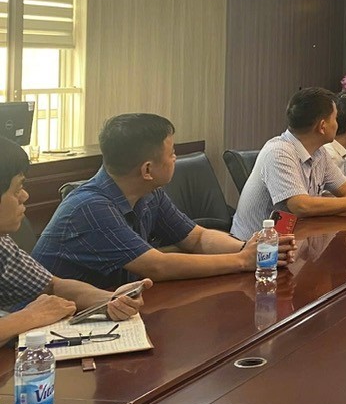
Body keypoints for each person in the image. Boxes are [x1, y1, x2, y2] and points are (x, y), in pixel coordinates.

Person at [34, 114, 296, 290]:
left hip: (111, 308)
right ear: (147, 169)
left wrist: (249, 248)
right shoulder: (90, 207)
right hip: (55, 327)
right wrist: (243, 261)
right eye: (171, 153)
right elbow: (157, 266)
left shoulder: (150, 193)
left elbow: (196, 238)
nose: (175, 159)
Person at [0, 137, 150, 343]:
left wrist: (111, 300)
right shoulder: (90, 205)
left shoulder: (2, 244)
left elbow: (53, 286)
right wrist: (29, 316)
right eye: (17, 190)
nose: (24, 196)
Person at [230, 87, 346, 240]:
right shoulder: (279, 152)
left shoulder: (319, 152)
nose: (338, 124)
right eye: (335, 119)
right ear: (322, 126)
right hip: (257, 249)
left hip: (295, 239)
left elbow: (345, 186)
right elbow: (301, 205)